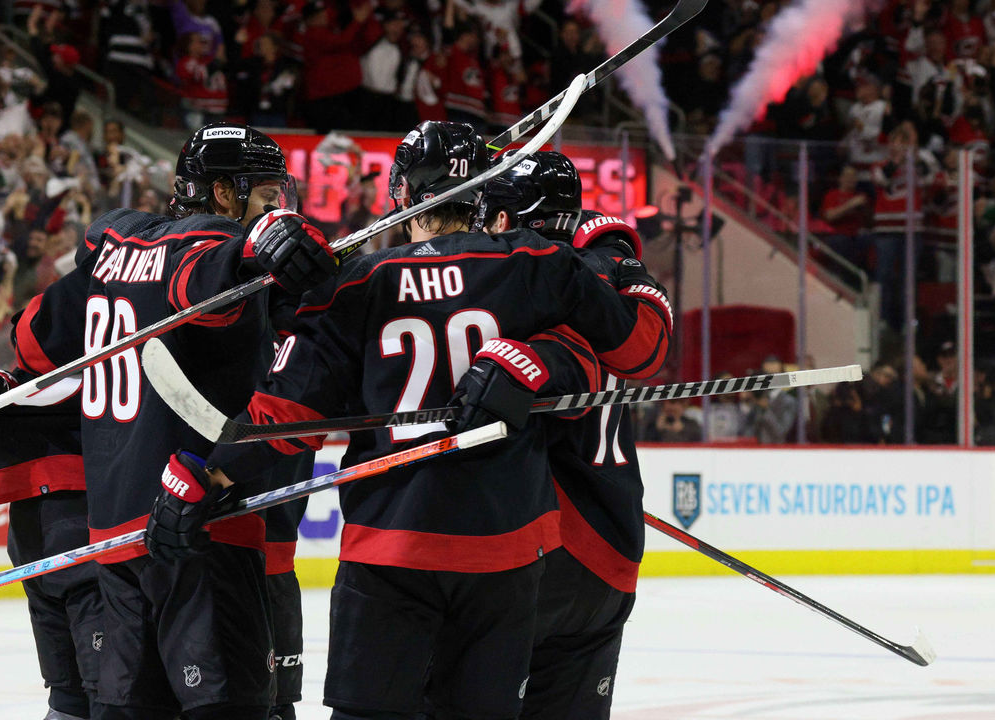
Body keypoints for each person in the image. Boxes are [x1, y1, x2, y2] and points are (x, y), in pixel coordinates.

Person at [147, 121, 671, 720]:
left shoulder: (360, 283)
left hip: (388, 551)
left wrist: (208, 475)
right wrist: (595, 281)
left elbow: (288, 417)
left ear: (402, 195)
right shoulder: (538, 262)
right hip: (504, 556)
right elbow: (641, 351)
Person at [3, 122, 338, 719]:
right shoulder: (207, 248)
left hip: (114, 539)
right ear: (225, 194)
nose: (274, 206)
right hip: (199, 527)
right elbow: (202, 280)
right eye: (264, 197)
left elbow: (32, 341)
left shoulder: (116, 248)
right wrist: (259, 246)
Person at [475, 151, 672, 718]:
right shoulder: (603, 272)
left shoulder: (521, 281)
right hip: (611, 551)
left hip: (544, 543)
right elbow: (644, 343)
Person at [0, 367, 99, 720]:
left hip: (89, 486)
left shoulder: (87, 316)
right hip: (32, 490)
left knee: (109, 684)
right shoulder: (48, 319)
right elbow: (43, 368)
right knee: (69, 687)